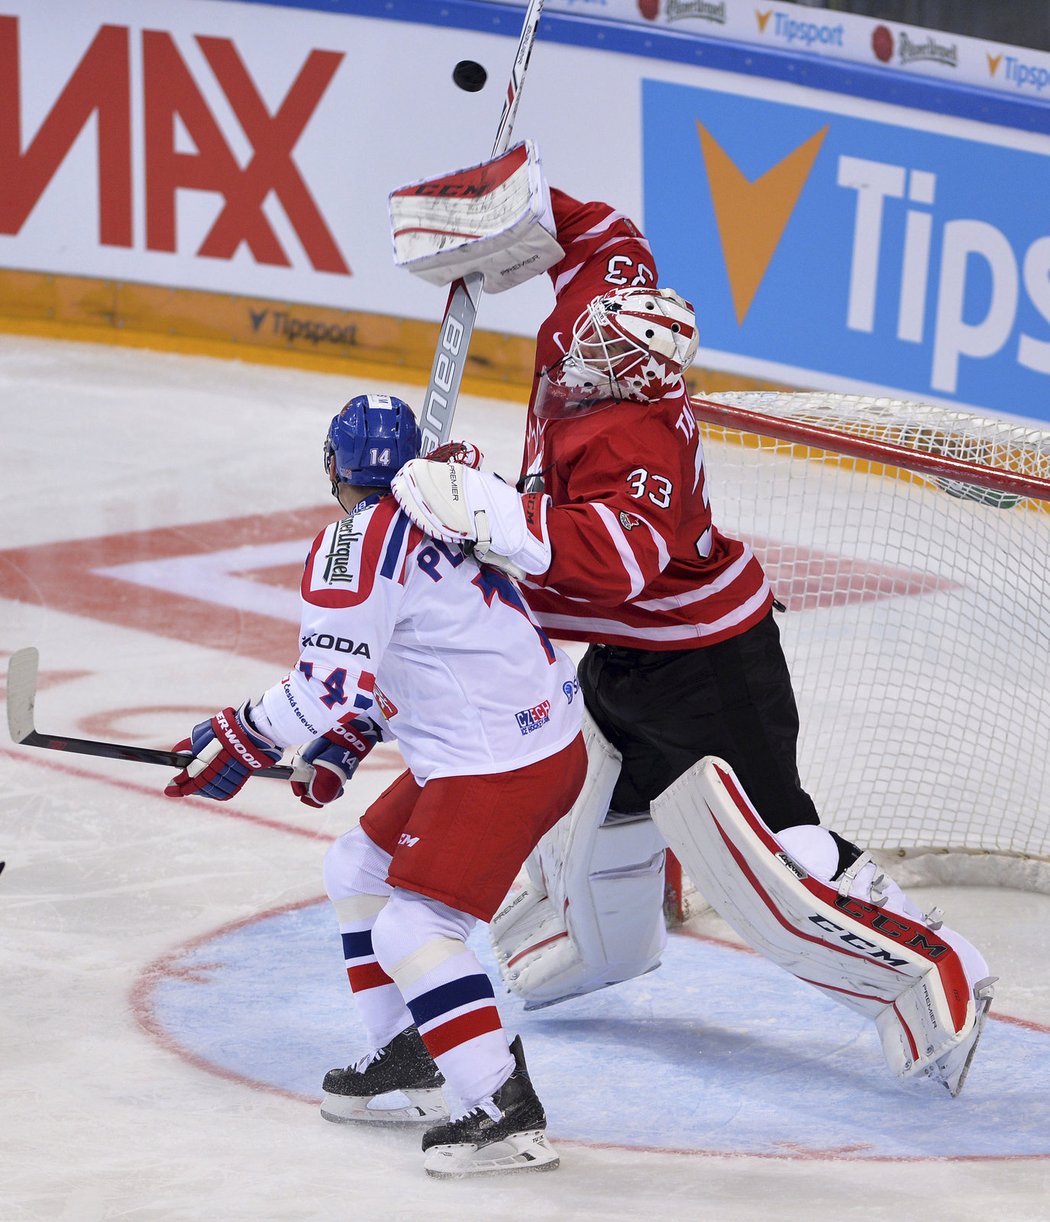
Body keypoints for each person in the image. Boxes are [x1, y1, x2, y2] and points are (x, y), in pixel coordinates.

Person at [391, 187, 997, 1097]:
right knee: (592, 825)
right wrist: (500, 209)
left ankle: (942, 970)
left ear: (642, 376)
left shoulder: (637, 442)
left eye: (602, 356)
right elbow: (600, 228)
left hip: (706, 670)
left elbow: (614, 565)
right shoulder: (606, 306)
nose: (576, 357)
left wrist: (487, 513)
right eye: (588, 338)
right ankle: (591, 948)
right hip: (627, 669)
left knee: (780, 856)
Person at [163, 393, 587, 1177]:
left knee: (412, 929)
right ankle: (408, 1055)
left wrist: (241, 733)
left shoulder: (350, 548)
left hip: (498, 761)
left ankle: (501, 1109)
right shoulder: (452, 500)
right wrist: (355, 732)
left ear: (332, 466)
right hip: (531, 732)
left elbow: (322, 688)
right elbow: (435, 646)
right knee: (355, 867)